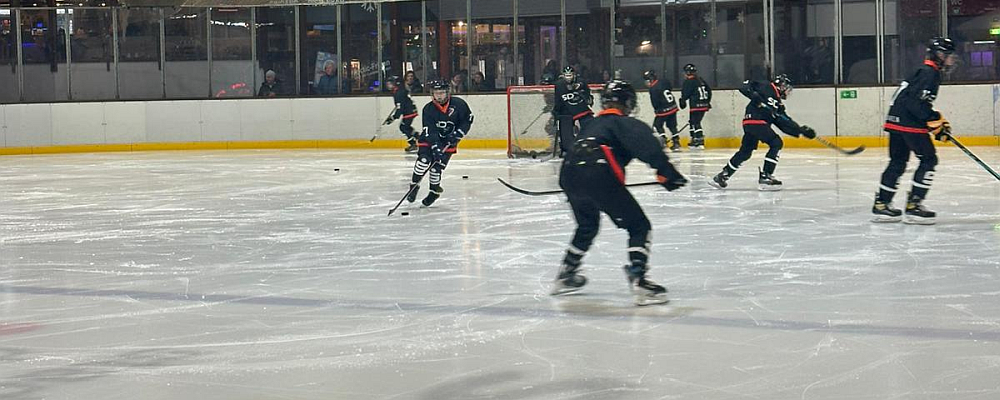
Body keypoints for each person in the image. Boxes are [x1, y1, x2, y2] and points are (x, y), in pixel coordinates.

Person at [552, 80, 688, 306]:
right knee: (639, 226)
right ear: (627, 103)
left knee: (587, 225)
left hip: (568, 174)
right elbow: (647, 145)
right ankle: (639, 278)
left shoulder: (590, 125)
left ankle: (566, 273)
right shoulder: (622, 122)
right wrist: (667, 173)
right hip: (599, 172)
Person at [872, 37, 957, 225]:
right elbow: (916, 103)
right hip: (908, 122)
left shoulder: (921, 71)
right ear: (940, 55)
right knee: (929, 159)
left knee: (898, 161)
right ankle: (914, 206)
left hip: (896, 120)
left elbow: (911, 100)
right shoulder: (930, 73)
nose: (952, 60)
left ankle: (881, 204)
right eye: (950, 55)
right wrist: (934, 121)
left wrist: (934, 121)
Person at [707, 74, 816, 191]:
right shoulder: (766, 85)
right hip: (756, 121)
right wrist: (754, 96)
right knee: (776, 143)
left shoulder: (778, 105)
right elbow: (743, 86)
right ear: (780, 84)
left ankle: (722, 176)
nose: (787, 90)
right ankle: (766, 176)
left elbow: (783, 122)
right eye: (786, 87)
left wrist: (800, 130)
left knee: (745, 152)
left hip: (752, 124)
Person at [405, 80, 474, 207]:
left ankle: (434, 191)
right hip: (428, 141)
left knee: (436, 168)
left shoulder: (459, 104)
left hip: (449, 142)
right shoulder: (429, 109)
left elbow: (467, 120)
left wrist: (458, 133)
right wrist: (436, 146)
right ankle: (414, 186)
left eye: (442, 92)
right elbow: (430, 130)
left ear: (447, 92)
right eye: (436, 93)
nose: (439, 96)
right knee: (423, 161)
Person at [552, 66, 594, 156]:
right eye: (566, 75)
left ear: (574, 75)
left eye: (570, 75)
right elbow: (558, 100)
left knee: (590, 127)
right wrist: (556, 110)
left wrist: (587, 97)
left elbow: (588, 94)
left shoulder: (581, 82)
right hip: (566, 112)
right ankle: (567, 149)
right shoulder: (559, 85)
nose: (568, 77)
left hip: (581, 110)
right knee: (565, 129)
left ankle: (590, 146)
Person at [643, 70, 681, 152]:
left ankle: (663, 141)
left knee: (658, 125)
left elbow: (655, 102)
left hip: (663, 109)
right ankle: (676, 142)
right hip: (673, 106)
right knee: (672, 126)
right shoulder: (663, 81)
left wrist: (657, 110)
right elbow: (669, 88)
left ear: (651, 79)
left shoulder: (653, 89)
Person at [679, 63, 712, 149]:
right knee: (693, 122)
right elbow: (709, 91)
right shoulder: (701, 80)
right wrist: (707, 102)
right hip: (704, 105)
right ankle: (694, 139)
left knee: (695, 123)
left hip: (696, 106)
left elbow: (685, 94)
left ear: (688, 72)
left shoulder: (688, 82)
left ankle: (699, 140)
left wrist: (682, 101)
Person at [383, 75, 419, 153]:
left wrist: (393, 117)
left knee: (403, 127)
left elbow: (400, 108)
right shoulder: (398, 90)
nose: (388, 85)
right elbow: (400, 105)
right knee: (406, 127)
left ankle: (413, 144)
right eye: (387, 84)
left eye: (390, 84)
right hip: (410, 110)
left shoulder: (398, 92)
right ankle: (418, 136)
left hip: (409, 111)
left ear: (394, 83)